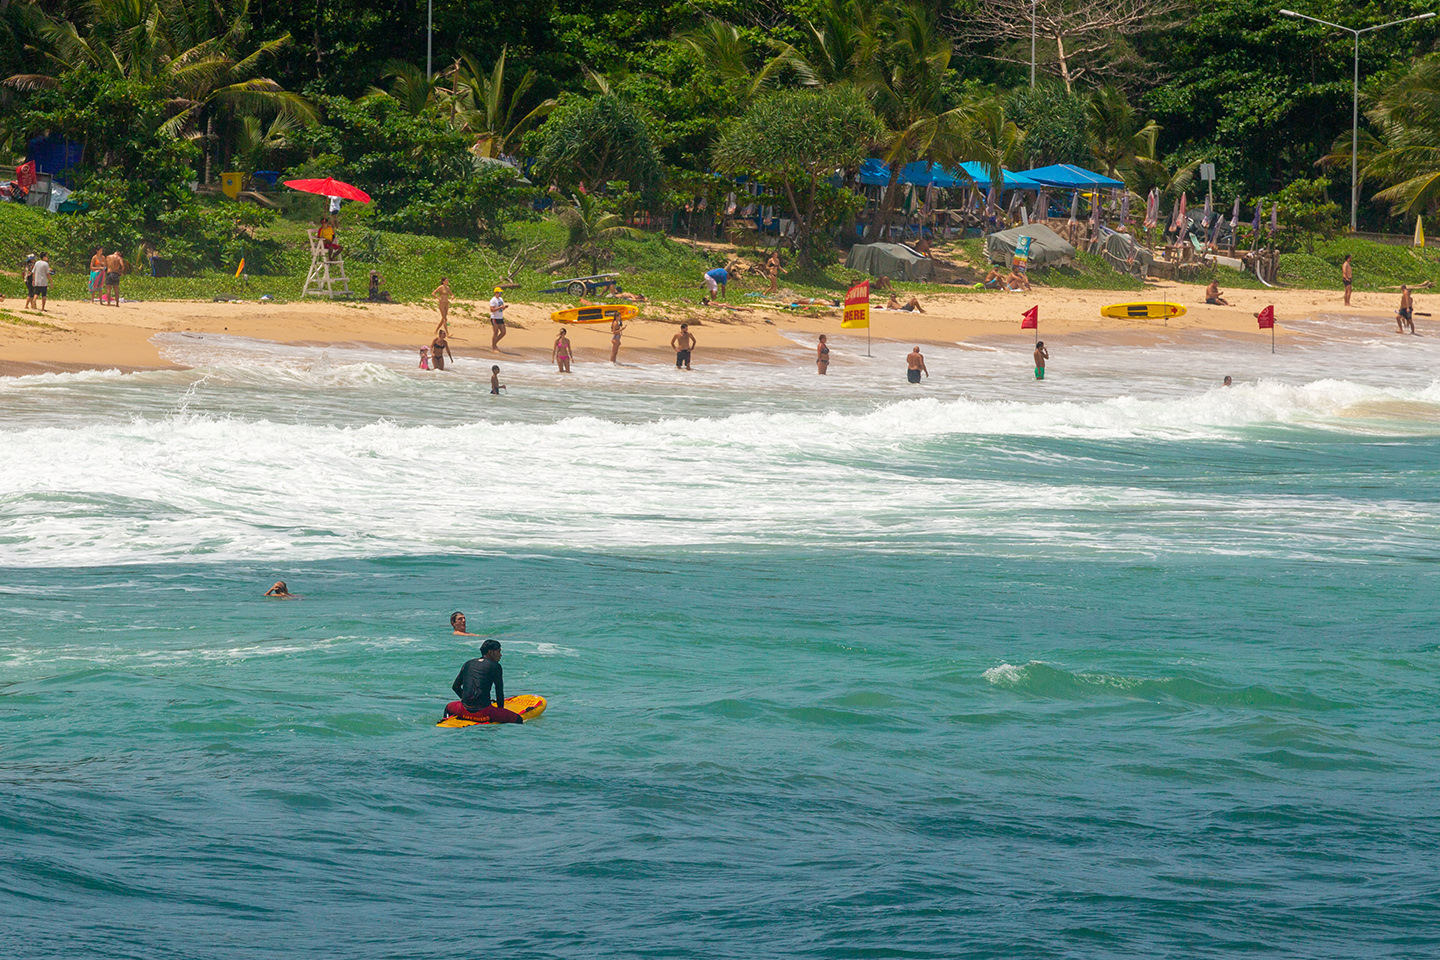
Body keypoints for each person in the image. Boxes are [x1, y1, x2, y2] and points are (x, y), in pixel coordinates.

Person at [446, 639, 524, 723]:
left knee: (448, 707)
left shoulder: (468, 663)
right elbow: (499, 692)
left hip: (463, 710)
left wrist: (468, 702)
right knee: (519, 719)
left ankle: (445, 720)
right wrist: (500, 713)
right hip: (484, 713)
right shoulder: (495, 666)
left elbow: (455, 687)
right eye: (499, 651)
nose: (500, 655)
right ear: (491, 652)